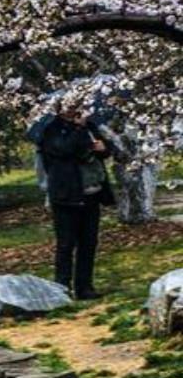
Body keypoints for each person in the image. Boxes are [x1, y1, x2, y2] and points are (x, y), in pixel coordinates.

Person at [37, 105, 115, 300]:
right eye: (70, 106)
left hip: (91, 192)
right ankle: (62, 287)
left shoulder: (89, 126)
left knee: (89, 242)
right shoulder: (52, 130)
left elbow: (104, 148)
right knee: (66, 243)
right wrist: (78, 129)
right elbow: (64, 149)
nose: (75, 110)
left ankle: (84, 286)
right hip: (67, 194)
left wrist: (104, 148)